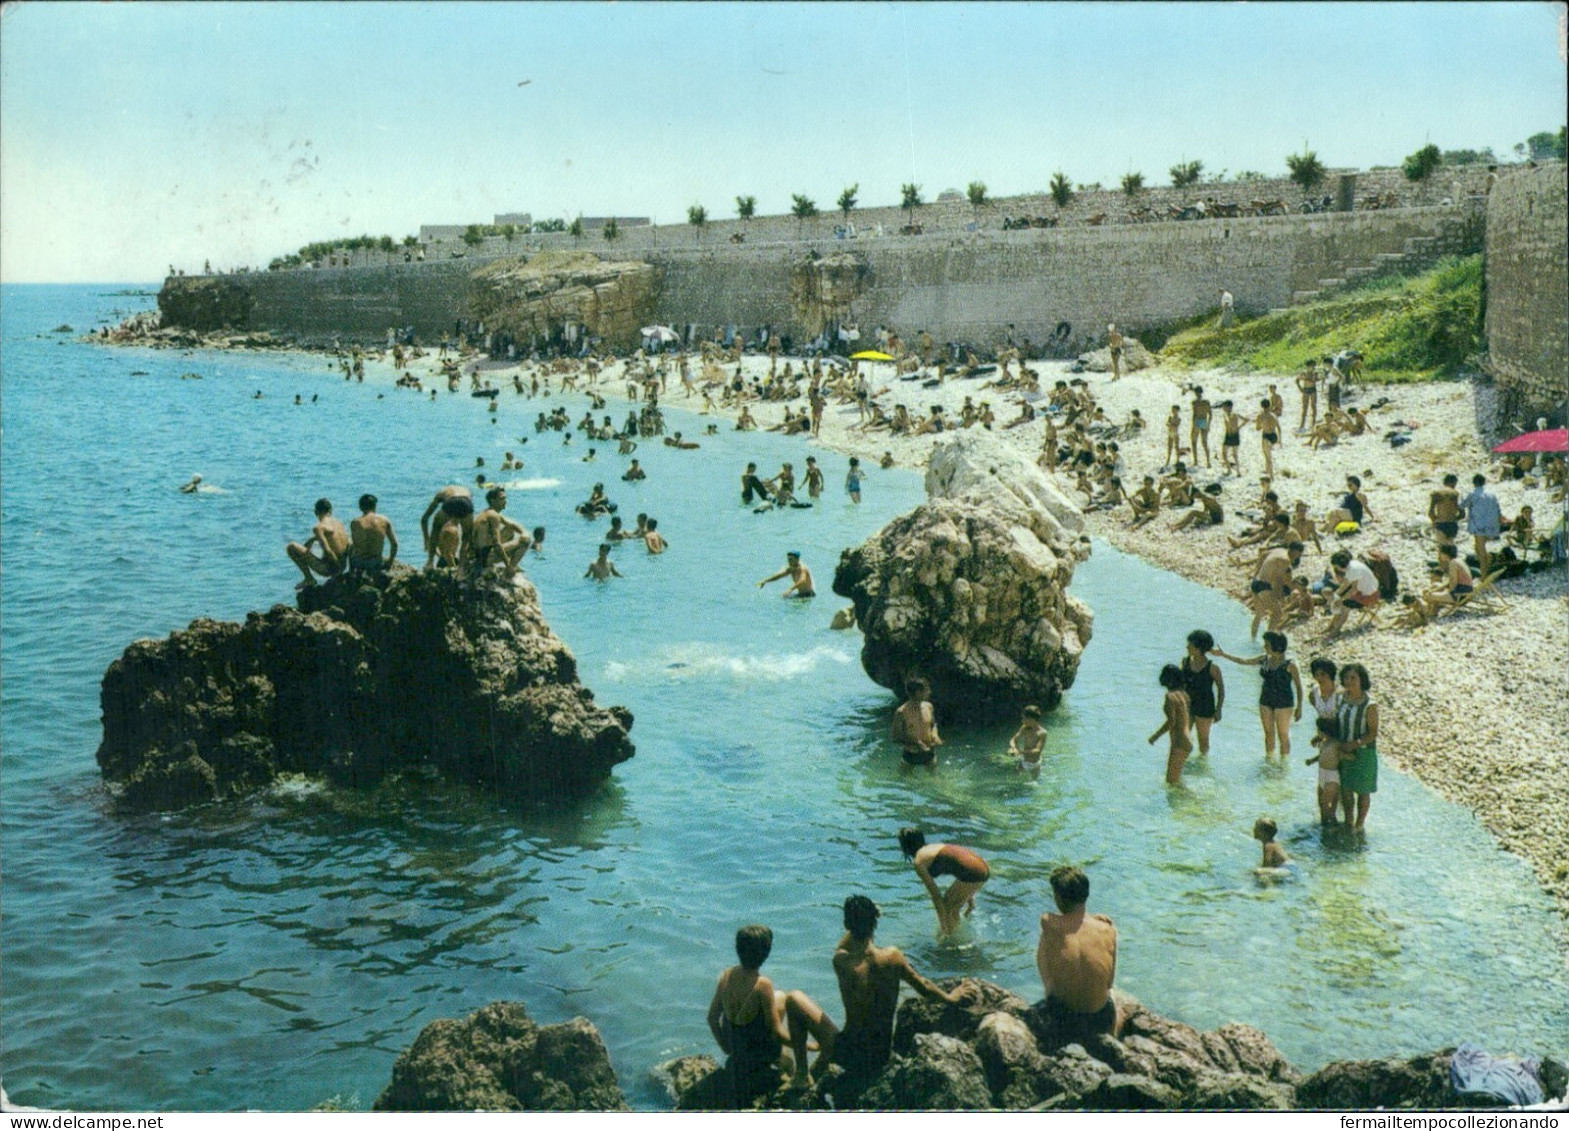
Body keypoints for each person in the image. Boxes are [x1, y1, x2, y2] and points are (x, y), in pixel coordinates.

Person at [830, 895, 971, 1082]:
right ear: (874, 923)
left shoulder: (842, 962)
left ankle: (802, 1077)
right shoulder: (892, 957)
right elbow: (924, 987)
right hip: (880, 1053)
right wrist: (951, 997)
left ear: (847, 925)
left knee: (795, 1000)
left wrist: (861, 920)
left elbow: (843, 946)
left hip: (850, 1050)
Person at [707, 925, 837, 1099]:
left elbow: (712, 1018)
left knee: (780, 997)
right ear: (766, 954)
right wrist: (809, 1046)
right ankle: (797, 1077)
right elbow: (777, 1033)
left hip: (737, 1049)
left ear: (738, 949)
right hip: (759, 1055)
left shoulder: (727, 975)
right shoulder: (762, 985)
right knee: (788, 1058)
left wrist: (725, 1046)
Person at [1033, 866, 1120, 1048]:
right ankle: (1111, 1035)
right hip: (1100, 1018)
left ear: (1058, 897)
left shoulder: (1049, 923)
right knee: (1111, 990)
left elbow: (1057, 923)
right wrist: (1094, 919)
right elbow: (1109, 983)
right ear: (1086, 894)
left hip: (1064, 1017)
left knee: (1047, 940)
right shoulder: (1108, 929)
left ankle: (1050, 993)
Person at [1214, 631, 1303, 760]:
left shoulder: (1290, 665)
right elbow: (1243, 661)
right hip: (1265, 700)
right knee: (1268, 734)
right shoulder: (1264, 659)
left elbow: (1299, 687)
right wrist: (1223, 655)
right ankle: (1269, 761)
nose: (1264, 647)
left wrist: (1299, 707)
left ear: (1276, 646)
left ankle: (1284, 765)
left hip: (1284, 702)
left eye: (1267, 644)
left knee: (1283, 735)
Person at [897, 829, 989, 936]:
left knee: (948, 908)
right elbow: (961, 864)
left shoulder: (919, 861)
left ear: (905, 846)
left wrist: (943, 927)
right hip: (982, 867)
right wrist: (970, 902)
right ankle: (956, 934)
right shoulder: (932, 848)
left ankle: (951, 940)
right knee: (950, 905)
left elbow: (936, 896)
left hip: (973, 871)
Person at [1335, 663, 1379, 831]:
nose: (1349, 681)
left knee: (1362, 790)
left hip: (1364, 752)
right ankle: (1348, 821)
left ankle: (1359, 825)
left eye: (1353, 678)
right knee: (1346, 789)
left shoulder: (1370, 704)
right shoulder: (1341, 698)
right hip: (1344, 749)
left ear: (1362, 680)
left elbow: (1373, 733)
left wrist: (1355, 744)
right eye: (1346, 677)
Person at [1304, 658, 1343, 824]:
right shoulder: (1314, 694)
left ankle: (1336, 818)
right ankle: (1327, 819)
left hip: (1340, 740)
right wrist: (1320, 735)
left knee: (1337, 784)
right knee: (1324, 782)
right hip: (1326, 740)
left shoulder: (1340, 695)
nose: (1320, 678)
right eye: (1317, 674)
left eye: (1323, 674)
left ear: (1331, 675)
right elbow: (1320, 717)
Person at [286, 498, 350, 588]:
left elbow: (328, 551)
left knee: (291, 547)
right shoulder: (339, 523)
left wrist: (337, 572)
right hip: (343, 565)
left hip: (331, 568)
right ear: (330, 510)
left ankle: (309, 579)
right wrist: (313, 539)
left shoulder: (319, 528)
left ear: (315, 512)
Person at [1180, 630, 1224, 756]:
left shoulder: (1212, 668)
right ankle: (1183, 765)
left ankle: (1203, 768)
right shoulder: (1185, 662)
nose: (1187, 647)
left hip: (1205, 707)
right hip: (1188, 705)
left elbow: (1221, 689)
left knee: (1203, 742)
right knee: (1183, 738)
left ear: (1199, 648)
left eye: (1190, 645)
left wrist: (1218, 709)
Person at [1148, 664, 1193, 784]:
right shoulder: (1184, 695)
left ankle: (1195, 801)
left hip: (1179, 742)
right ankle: (1191, 801)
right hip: (1187, 740)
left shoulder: (1170, 697)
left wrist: (1155, 737)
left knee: (1171, 783)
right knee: (1175, 782)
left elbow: (1171, 722)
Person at [1249, 542, 1305, 637]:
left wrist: (1256, 572)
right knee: (1277, 613)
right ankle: (1268, 640)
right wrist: (1280, 598)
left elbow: (1263, 555)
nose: (1298, 558)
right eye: (1299, 555)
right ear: (1295, 551)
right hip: (1264, 586)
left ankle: (1252, 640)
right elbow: (1279, 580)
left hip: (1256, 582)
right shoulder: (1286, 560)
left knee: (1259, 614)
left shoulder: (1279, 550)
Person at [471, 486, 529, 577]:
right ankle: (510, 570)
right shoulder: (493, 516)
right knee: (526, 541)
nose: (505, 501)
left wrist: (523, 532)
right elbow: (497, 544)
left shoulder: (488, 512)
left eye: (505, 498)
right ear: (493, 501)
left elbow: (512, 525)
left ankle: (512, 565)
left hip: (478, 554)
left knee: (510, 530)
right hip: (483, 558)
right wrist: (508, 565)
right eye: (502, 499)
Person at [1325, 549, 1381, 637]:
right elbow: (1346, 583)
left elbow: (1353, 589)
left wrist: (1341, 599)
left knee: (1344, 606)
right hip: (1367, 589)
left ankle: (1336, 630)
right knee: (1338, 601)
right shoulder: (1352, 564)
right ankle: (1331, 626)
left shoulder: (1353, 570)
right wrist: (1337, 594)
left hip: (1369, 594)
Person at [890, 677, 941, 767]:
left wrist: (935, 734)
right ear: (918, 692)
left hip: (929, 752)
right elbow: (895, 736)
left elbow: (933, 724)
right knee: (905, 780)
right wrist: (916, 742)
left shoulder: (929, 707)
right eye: (926, 690)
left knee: (935, 779)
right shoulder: (902, 712)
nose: (929, 692)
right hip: (911, 754)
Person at [420, 485, 474, 569]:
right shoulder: (466, 491)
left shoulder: (441, 493)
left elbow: (424, 519)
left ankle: (430, 562)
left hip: (451, 501)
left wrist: (426, 539)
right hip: (466, 502)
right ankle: (461, 567)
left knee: (436, 528)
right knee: (466, 537)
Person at [1462, 473, 1502, 578]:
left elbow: (1462, 505)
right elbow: (1498, 510)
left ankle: (1484, 576)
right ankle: (1485, 567)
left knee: (1481, 550)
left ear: (1474, 483)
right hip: (1492, 525)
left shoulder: (1473, 494)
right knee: (1478, 548)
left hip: (1478, 526)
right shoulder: (1492, 494)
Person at [348, 493, 398, 572]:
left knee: (349, 544)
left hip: (358, 562)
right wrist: (390, 561)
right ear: (375, 506)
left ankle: (352, 572)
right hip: (376, 562)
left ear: (360, 507)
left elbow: (355, 544)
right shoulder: (384, 520)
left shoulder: (355, 522)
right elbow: (394, 544)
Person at [1419, 542, 1473, 615]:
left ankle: (1431, 612)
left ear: (1445, 554)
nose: (1440, 555)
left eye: (1441, 553)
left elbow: (1453, 582)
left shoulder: (1453, 564)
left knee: (1428, 596)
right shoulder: (1458, 561)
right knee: (1435, 585)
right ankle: (1433, 611)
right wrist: (1435, 589)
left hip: (1460, 594)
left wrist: (1444, 592)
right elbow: (1450, 581)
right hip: (1465, 591)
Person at [1008, 704, 1047, 773]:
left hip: (1035, 764)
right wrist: (1014, 748)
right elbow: (1013, 739)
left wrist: (1020, 752)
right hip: (1024, 761)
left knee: (1033, 783)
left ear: (1032, 719)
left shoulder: (1042, 733)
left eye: (1024, 719)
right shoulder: (1024, 728)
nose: (1022, 721)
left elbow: (1037, 750)